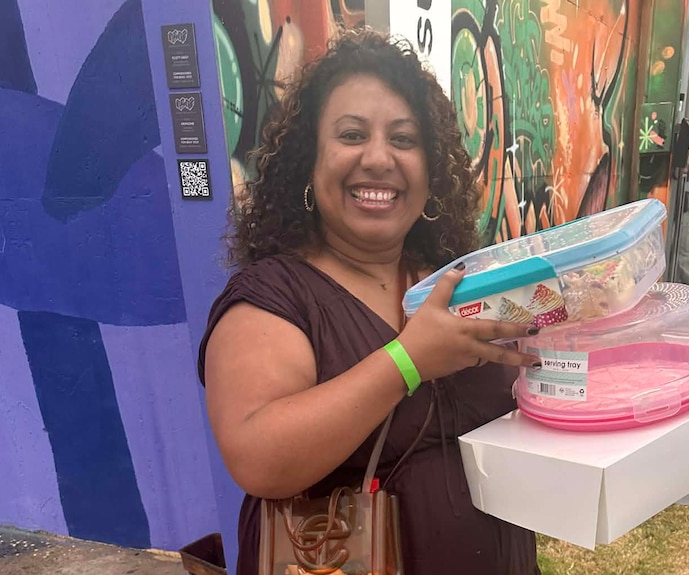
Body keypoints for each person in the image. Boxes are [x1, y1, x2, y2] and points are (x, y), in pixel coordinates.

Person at [198, 30, 543, 574]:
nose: (379, 158)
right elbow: (259, 458)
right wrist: (408, 361)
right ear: (310, 162)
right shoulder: (274, 297)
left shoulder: (457, 280)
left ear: (431, 170)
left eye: (404, 139)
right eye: (352, 135)